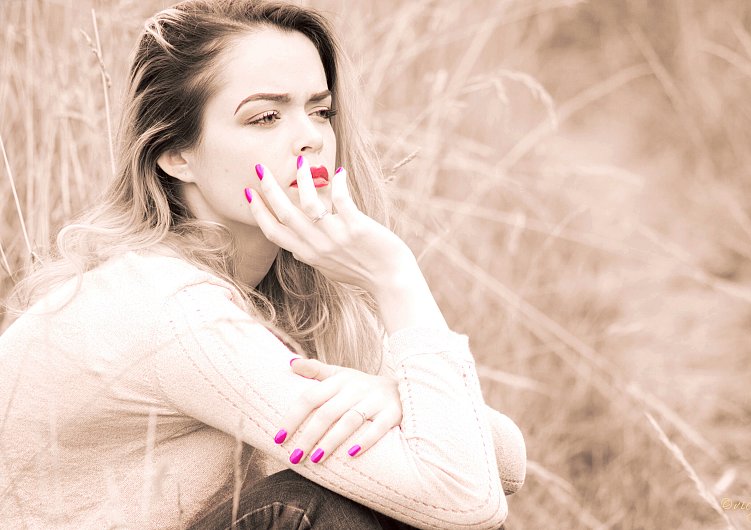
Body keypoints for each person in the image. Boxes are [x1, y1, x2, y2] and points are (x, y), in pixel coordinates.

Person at [0, 1, 527, 528]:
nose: (311, 138)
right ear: (176, 153)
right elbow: (464, 499)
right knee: (317, 508)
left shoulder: (296, 289)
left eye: (320, 111)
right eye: (265, 117)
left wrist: (395, 395)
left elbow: (504, 459)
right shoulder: (175, 307)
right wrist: (396, 277)